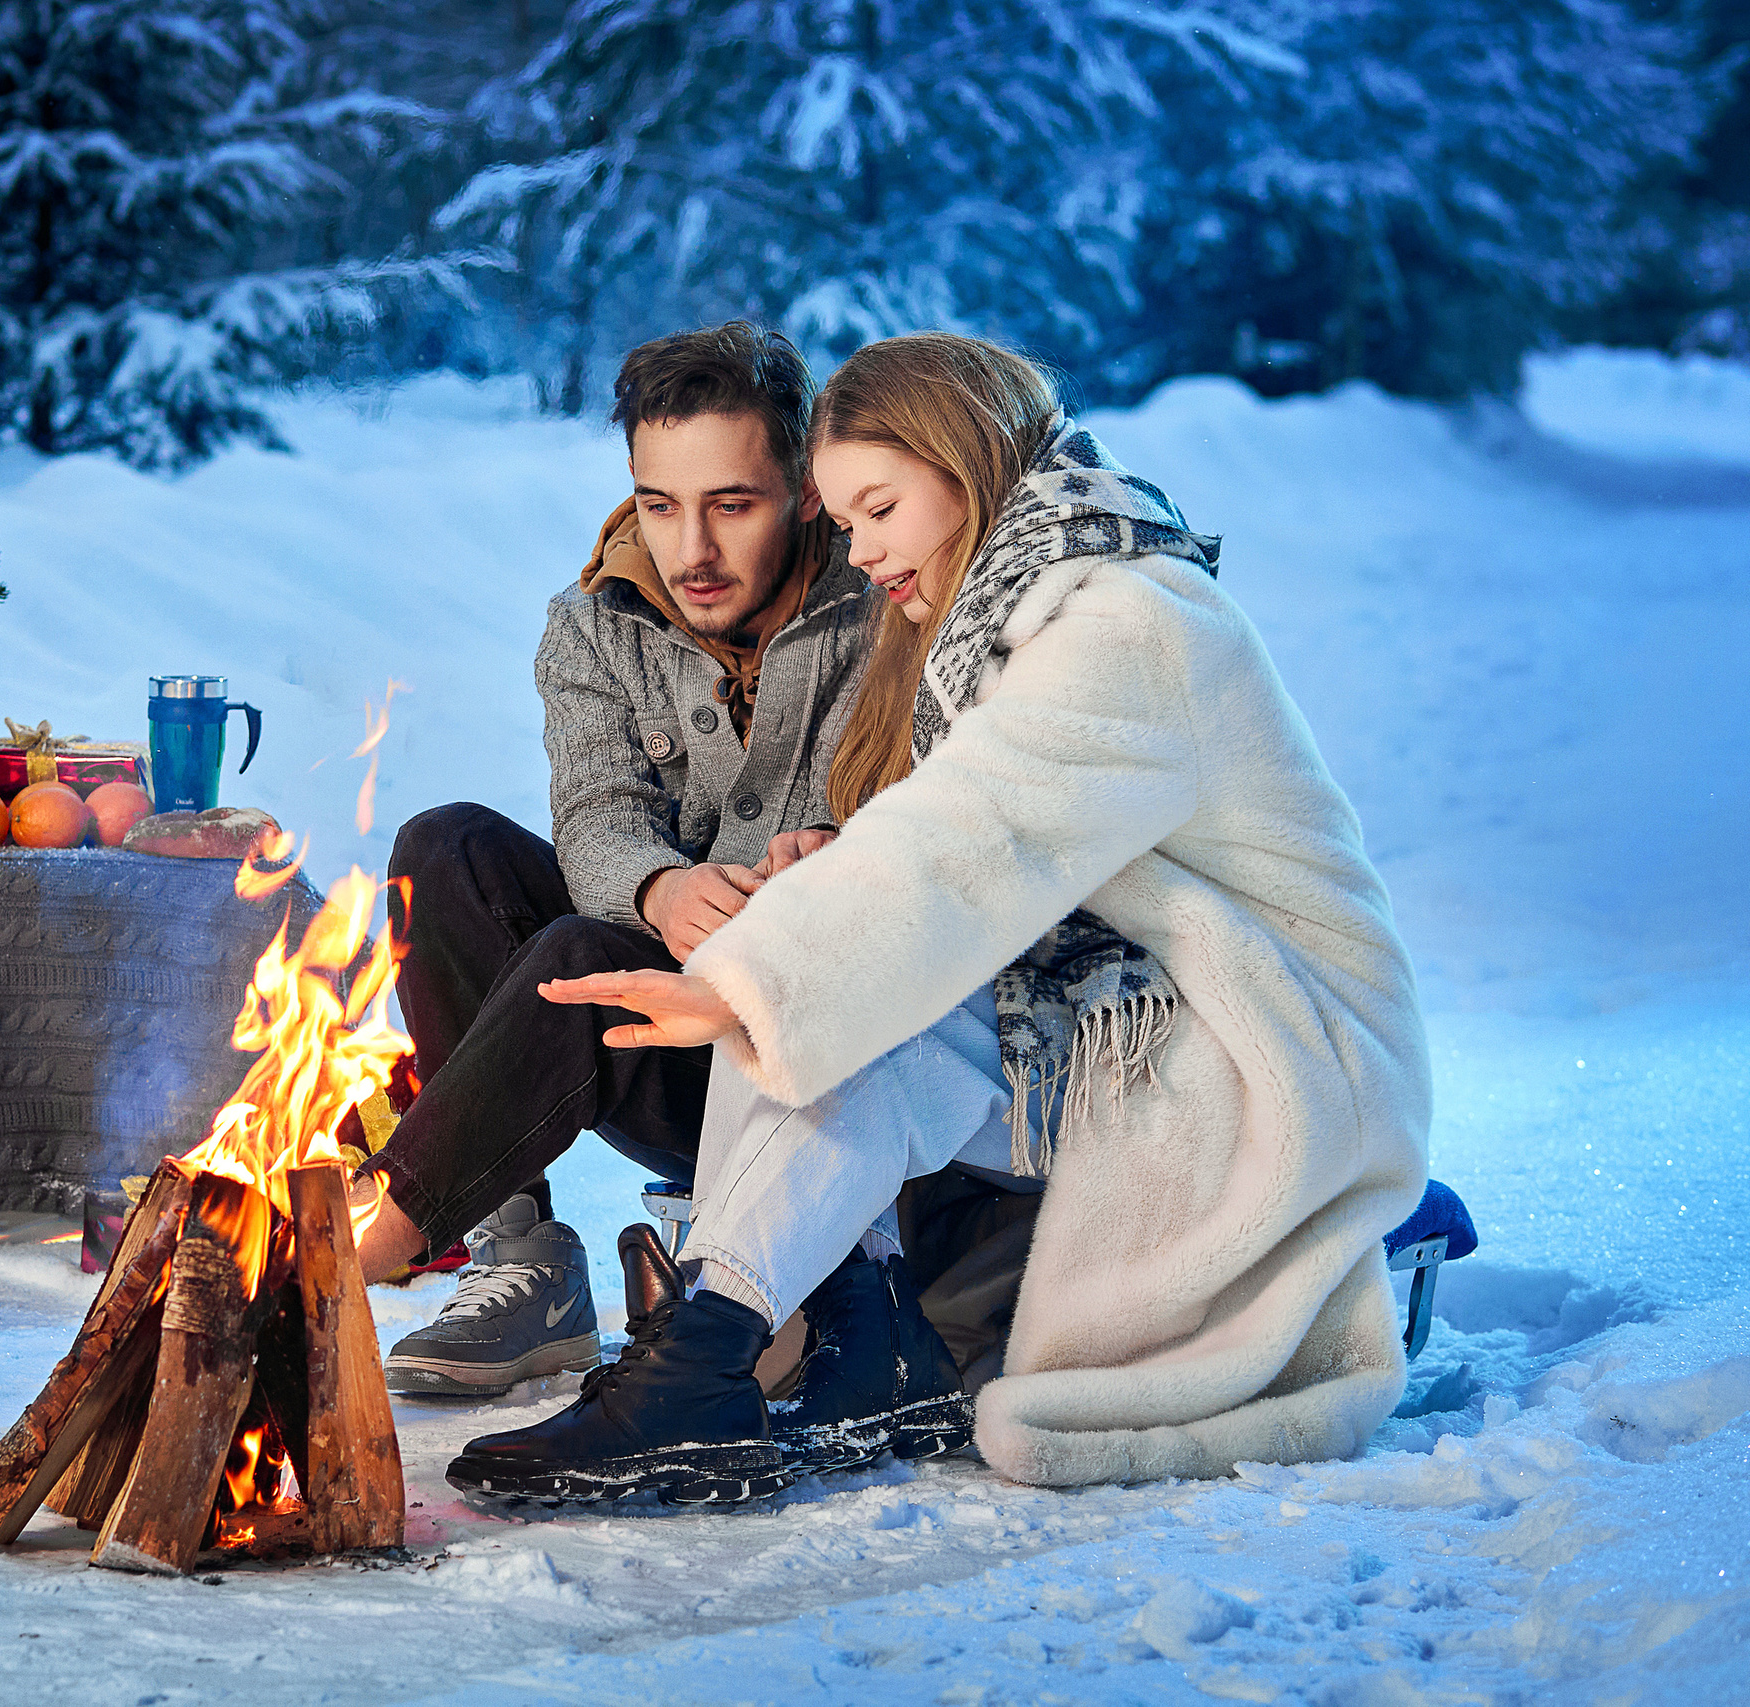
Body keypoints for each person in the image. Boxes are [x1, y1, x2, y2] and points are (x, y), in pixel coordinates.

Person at [443, 331, 1431, 1504]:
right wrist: (823, 881)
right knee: (825, 956)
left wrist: (750, 973)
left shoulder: (1130, 623)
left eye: (876, 510)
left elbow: (981, 834)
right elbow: (965, 845)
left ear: (963, 467)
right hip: (1122, 1014)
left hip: (1266, 1045)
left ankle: (708, 1359)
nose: (855, 553)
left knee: (838, 984)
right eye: (843, 520)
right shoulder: (996, 619)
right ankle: (765, 1347)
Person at [364, 322, 882, 1409]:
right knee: (441, 849)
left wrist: (785, 879)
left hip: (784, 1057)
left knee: (575, 951)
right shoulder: (592, 624)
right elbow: (595, 816)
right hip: (639, 1014)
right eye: (659, 503)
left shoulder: (880, 610)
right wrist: (659, 887)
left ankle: (356, 1252)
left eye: (730, 505)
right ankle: (525, 1261)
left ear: (800, 490)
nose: (689, 548)